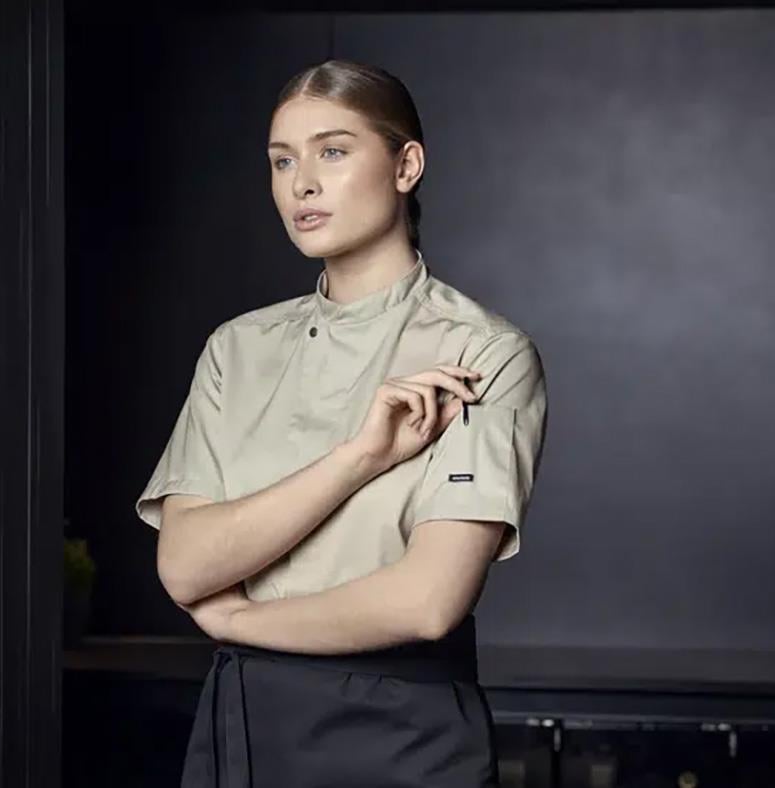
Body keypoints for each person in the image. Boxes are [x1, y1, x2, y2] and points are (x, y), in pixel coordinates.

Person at [135, 59, 548, 788]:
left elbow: (427, 602)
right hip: (242, 722)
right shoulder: (237, 348)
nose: (301, 184)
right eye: (281, 161)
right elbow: (185, 565)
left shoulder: (482, 352)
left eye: (332, 151)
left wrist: (239, 623)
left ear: (405, 165)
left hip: (404, 735)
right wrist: (360, 456)